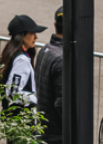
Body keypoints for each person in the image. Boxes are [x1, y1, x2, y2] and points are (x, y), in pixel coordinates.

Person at [0, 15, 46, 117]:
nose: (36, 37)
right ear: (23, 35)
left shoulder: (15, 55)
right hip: (20, 120)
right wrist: (36, 98)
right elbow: (13, 93)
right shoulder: (21, 60)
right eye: (32, 33)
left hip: (16, 119)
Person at [34, 7, 66, 144]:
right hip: (57, 135)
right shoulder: (61, 58)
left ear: (54, 25)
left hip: (43, 129)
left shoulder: (45, 50)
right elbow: (62, 103)